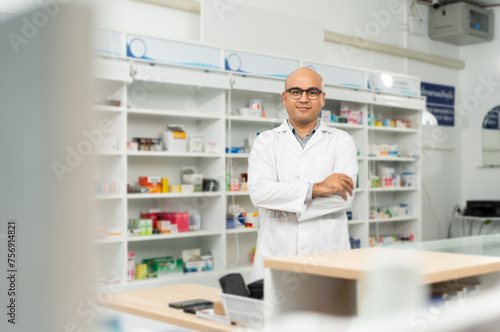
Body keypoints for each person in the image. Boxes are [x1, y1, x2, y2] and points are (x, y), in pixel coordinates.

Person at [248, 67, 358, 281]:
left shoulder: (342, 141)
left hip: (327, 256)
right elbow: (259, 193)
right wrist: (317, 189)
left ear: (323, 98)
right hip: (277, 255)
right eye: (296, 92)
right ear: (285, 97)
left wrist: (285, 202)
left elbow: (343, 199)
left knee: (328, 312)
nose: (304, 99)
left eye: (312, 92)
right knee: (275, 312)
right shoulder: (266, 141)